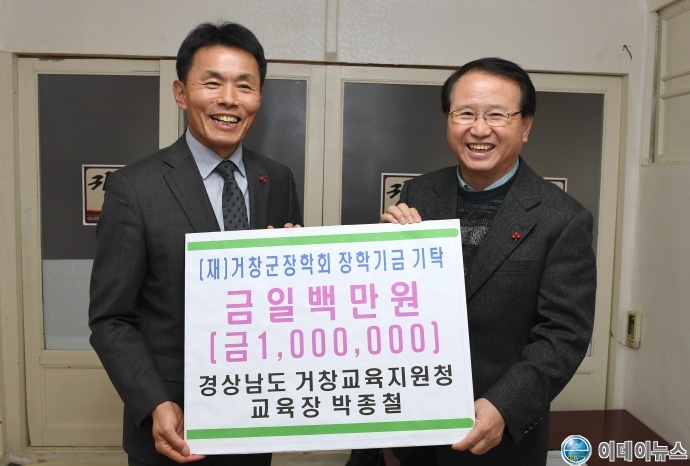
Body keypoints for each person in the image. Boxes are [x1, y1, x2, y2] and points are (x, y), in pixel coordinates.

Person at [88, 21, 302, 465]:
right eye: (213, 83)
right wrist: (154, 402)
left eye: (245, 86)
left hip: (255, 413)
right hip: (173, 420)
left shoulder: (277, 178)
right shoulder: (135, 187)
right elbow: (111, 318)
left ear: (259, 98)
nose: (229, 99)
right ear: (181, 93)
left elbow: (287, 302)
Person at [380, 57, 596, 465]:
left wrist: (504, 405)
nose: (479, 129)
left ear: (526, 125)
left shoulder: (562, 218)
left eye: (497, 115)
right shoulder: (419, 193)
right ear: (448, 120)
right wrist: (384, 253)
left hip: (500, 439)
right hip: (416, 424)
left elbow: (564, 335)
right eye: (465, 113)